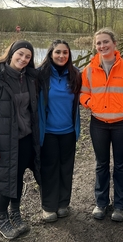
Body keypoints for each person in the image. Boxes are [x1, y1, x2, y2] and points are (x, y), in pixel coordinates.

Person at [0, 40, 41, 240]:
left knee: (18, 177)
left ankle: (16, 213)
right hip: (4, 141)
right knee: (6, 181)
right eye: (20, 54)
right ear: (11, 53)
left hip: (25, 139)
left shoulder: (29, 78)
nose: (23, 59)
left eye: (27, 56)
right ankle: (2, 219)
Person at [80, 27, 123, 222]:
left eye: (105, 42)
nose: (102, 46)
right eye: (98, 43)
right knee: (101, 164)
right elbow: (82, 93)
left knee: (121, 164)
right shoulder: (89, 70)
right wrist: (91, 103)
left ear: (114, 44)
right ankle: (101, 203)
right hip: (98, 123)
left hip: (121, 124)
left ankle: (120, 205)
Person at [37, 40, 82, 223]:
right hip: (47, 132)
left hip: (68, 131)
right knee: (49, 169)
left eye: (65, 52)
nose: (61, 56)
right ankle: (48, 206)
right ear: (50, 54)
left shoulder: (76, 74)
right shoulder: (40, 75)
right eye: (57, 52)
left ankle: (63, 203)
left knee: (66, 168)